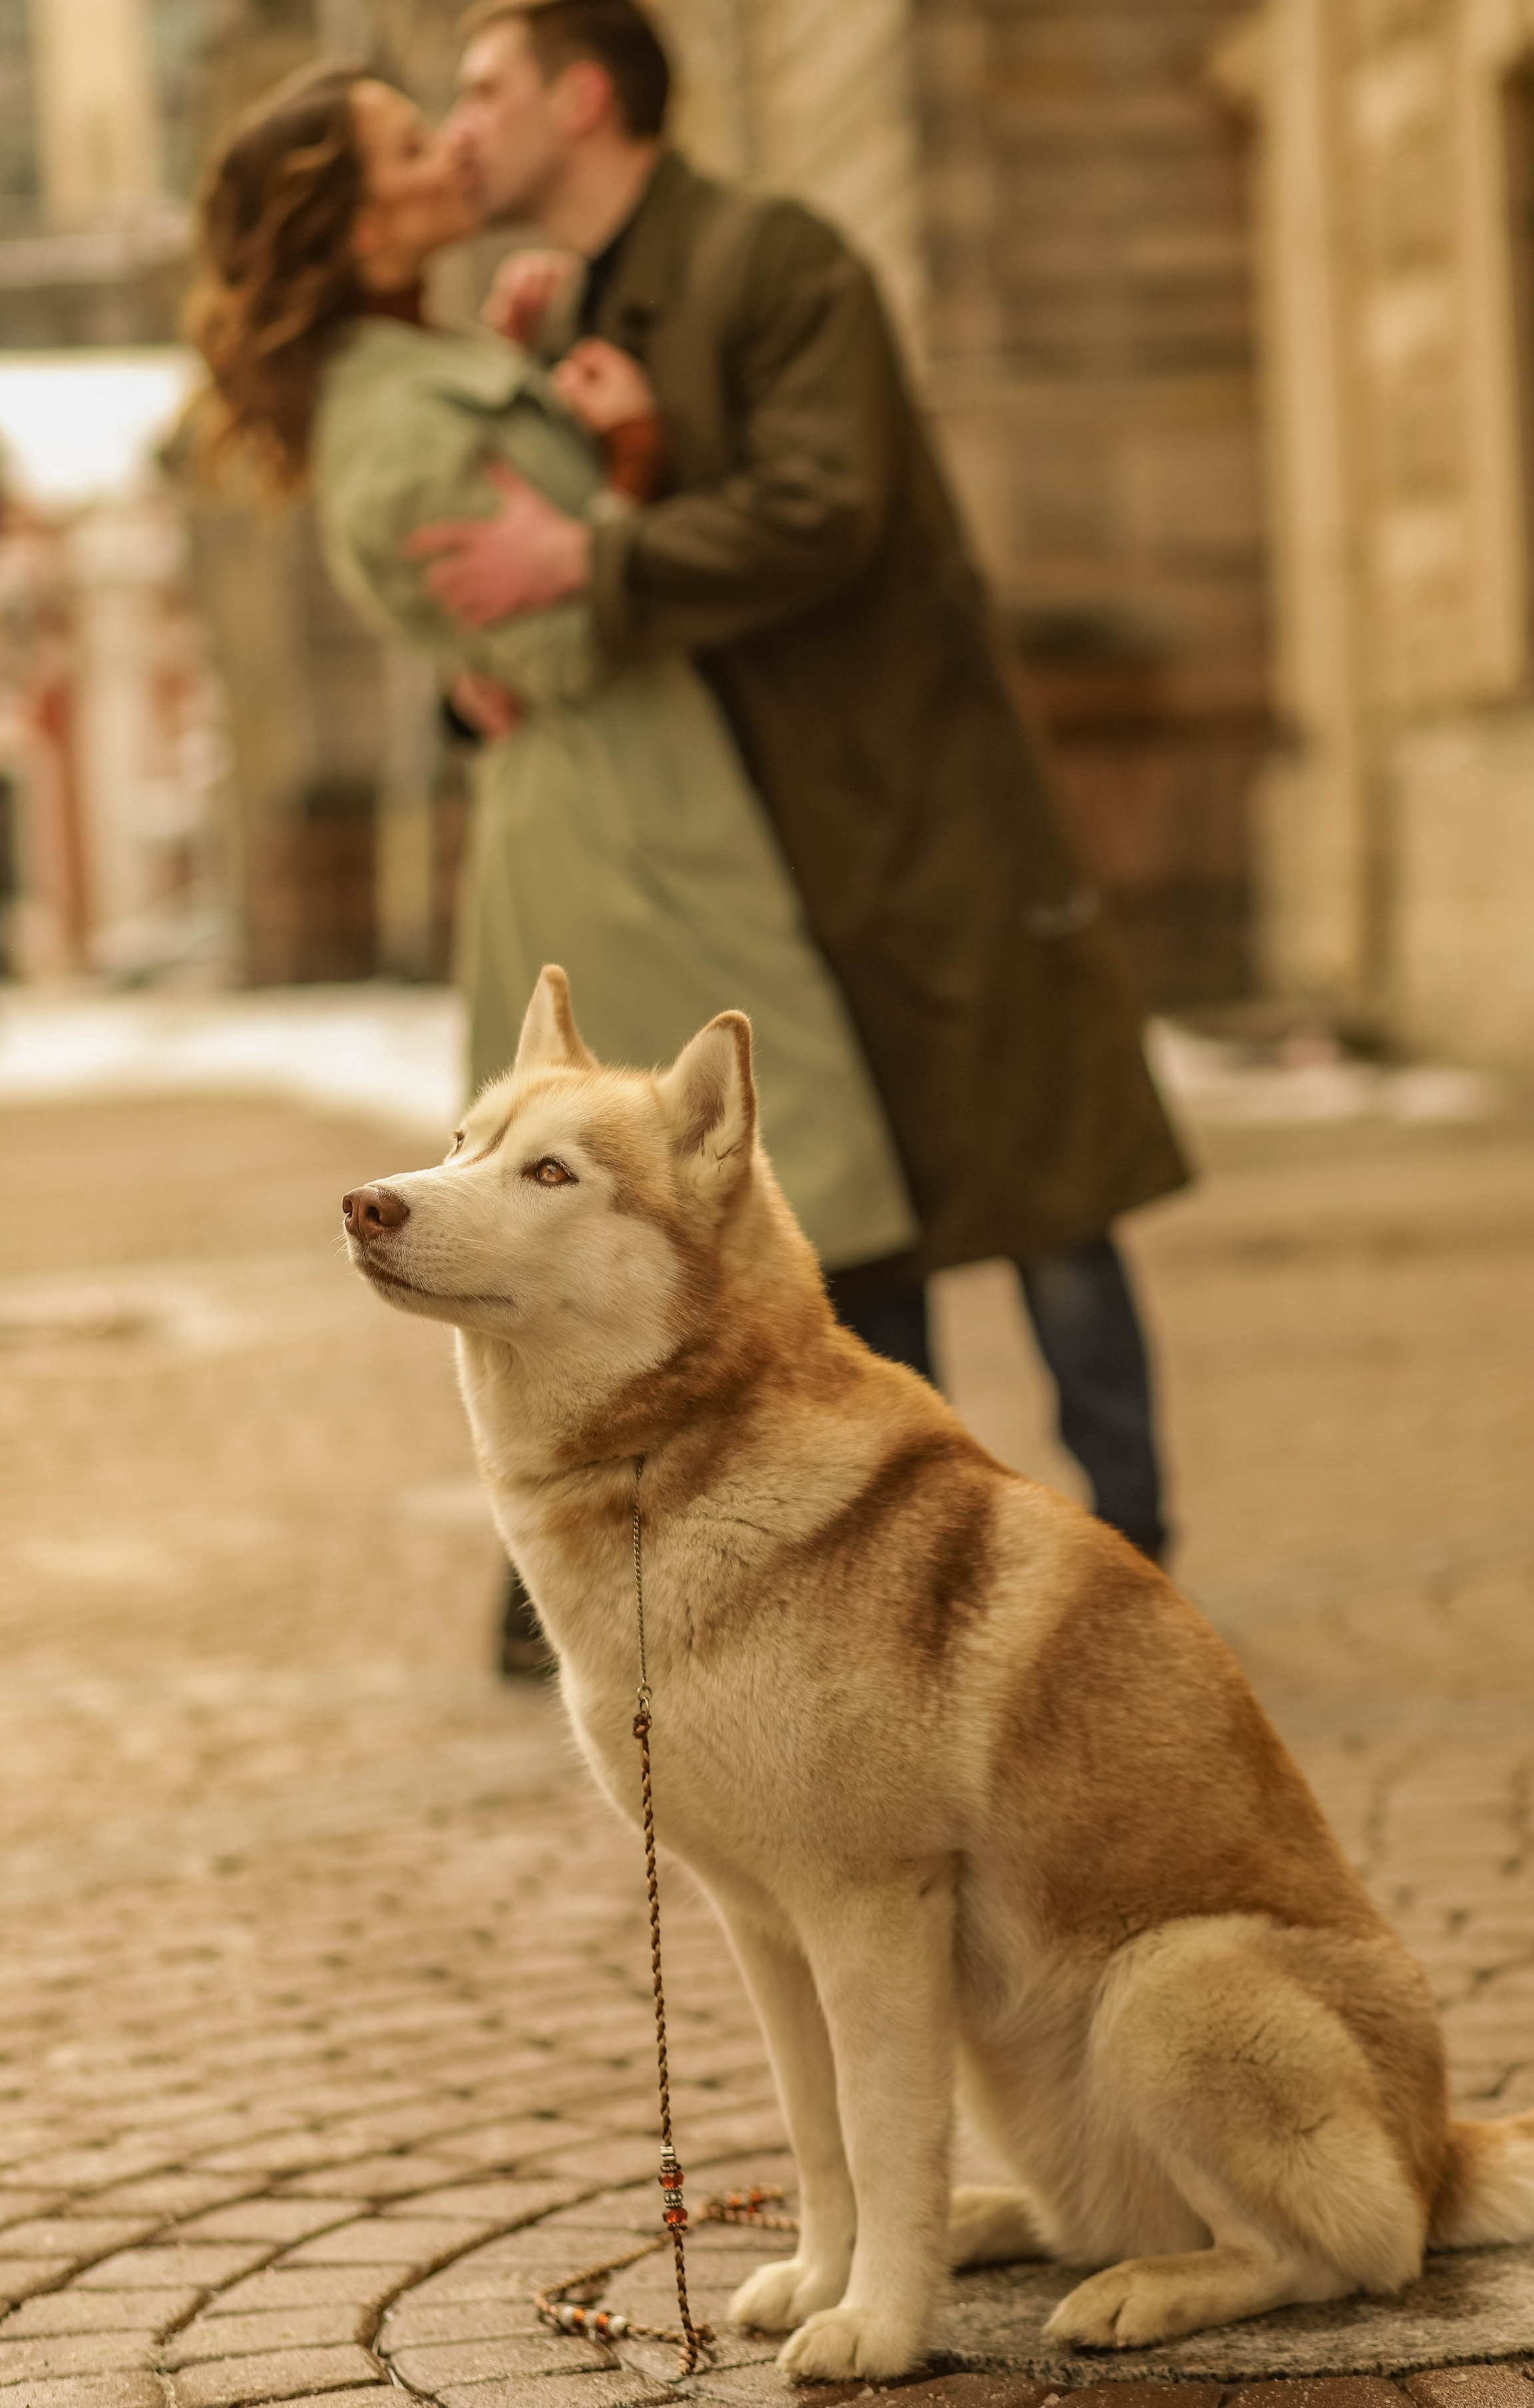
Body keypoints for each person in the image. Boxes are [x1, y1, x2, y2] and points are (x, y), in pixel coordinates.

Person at [417, 0, 1191, 1565]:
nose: (459, 124)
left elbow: (828, 505)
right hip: (737, 841)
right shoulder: (560, 305)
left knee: (1041, 1187)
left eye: (485, 87)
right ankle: (901, 1554)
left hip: (907, 802)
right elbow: (521, 576)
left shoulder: (775, 261)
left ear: (580, 101)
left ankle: (1138, 1551)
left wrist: (594, 548)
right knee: (838, 1206)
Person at [188, 61, 920, 1667]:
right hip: (619, 821)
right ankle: (638, 1589)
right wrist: (632, 471)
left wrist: (540, 399)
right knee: (729, 1194)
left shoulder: (435, 365)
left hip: (637, 788)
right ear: (350, 213)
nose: (448, 146)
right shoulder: (391, 409)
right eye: (403, 141)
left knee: (726, 1204)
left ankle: (681, 1574)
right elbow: (551, 625)